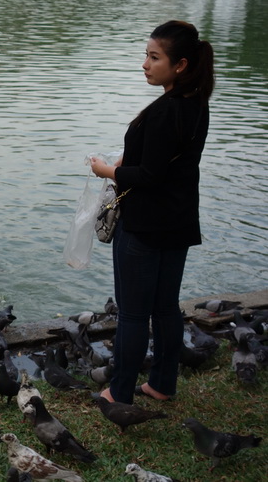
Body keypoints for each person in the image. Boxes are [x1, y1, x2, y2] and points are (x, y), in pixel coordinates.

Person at [90, 20, 215, 404]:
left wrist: (107, 169)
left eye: (154, 57)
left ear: (180, 65)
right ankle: (162, 383)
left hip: (144, 225)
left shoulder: (165, 110)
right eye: (146, 55)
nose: (145, 64)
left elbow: (149, 175)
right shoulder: (195, 105)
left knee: (131, 313)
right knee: (164, 308)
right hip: (177, 222)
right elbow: (167, 164)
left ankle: (120, 391)